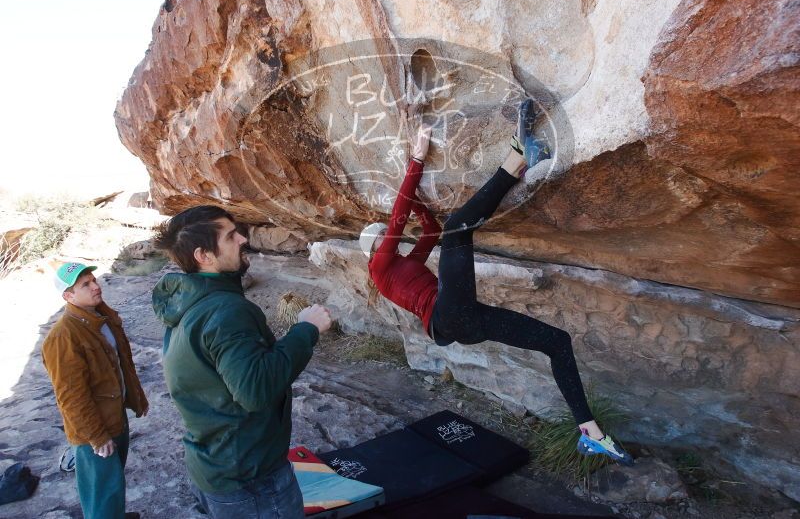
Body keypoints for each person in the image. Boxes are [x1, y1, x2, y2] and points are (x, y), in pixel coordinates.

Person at [360, 99, 633, 465]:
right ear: (374, 247)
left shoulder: (403, 266)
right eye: (380, 236)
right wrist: (417, 158)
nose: (386, 235)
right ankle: (519, 155)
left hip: (463, 322)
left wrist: (422, 204)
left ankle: (590, 433)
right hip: (448, 315)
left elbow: (431, 231)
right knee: (459, 227)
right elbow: (398, 218)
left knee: (556, 341)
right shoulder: (379, 268)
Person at [152, 205, 333, 519]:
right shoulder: (225, 312)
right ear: (203, 256)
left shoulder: (188, 303)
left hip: (215, 465)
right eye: (230, 236)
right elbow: (255, 390)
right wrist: (306, 330)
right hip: (251, 480)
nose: (242, 240)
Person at [42, 262, 149, 519]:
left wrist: (136, 399)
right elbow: (70, 396)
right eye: (85, 285)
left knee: (113, 482)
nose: (95, 287)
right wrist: (97, 436)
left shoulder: (102, 318)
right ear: (68, 296)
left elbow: (122, 365)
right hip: (94, 429)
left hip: (114, 416)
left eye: (94, 280)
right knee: (103, 493)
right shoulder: (63, 336)